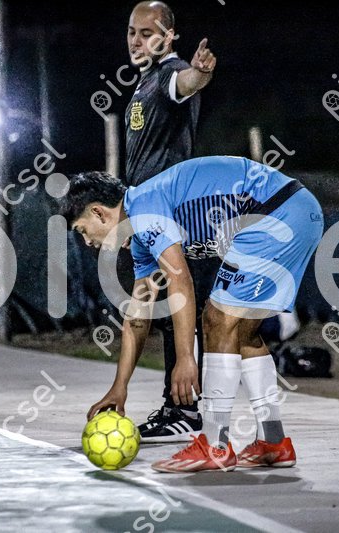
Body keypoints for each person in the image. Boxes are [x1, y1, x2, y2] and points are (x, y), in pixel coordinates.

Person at [63, 156, 324, 472]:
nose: (87, 241)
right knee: (242, 333)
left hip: (278, 212)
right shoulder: (141, 234)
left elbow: (180, 280)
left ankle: (214, 445)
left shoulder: (144, 208)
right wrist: (120, 387)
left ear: (98, 212)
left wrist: (186, 358)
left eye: (82, 230)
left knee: (216, 319)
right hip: (296, 210)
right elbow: (138, 316)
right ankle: (273, 442)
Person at [119, 1, 219, 443]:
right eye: (132, 32)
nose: (137, 40)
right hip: (150, 213)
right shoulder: (145, 82)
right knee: (163, 311)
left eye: (148, 33)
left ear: (169, 35)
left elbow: (187, 83)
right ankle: (181, 407)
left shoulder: (169, 74)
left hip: (174, 213)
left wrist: (201, 73)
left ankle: (188, 408)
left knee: (184, 310)